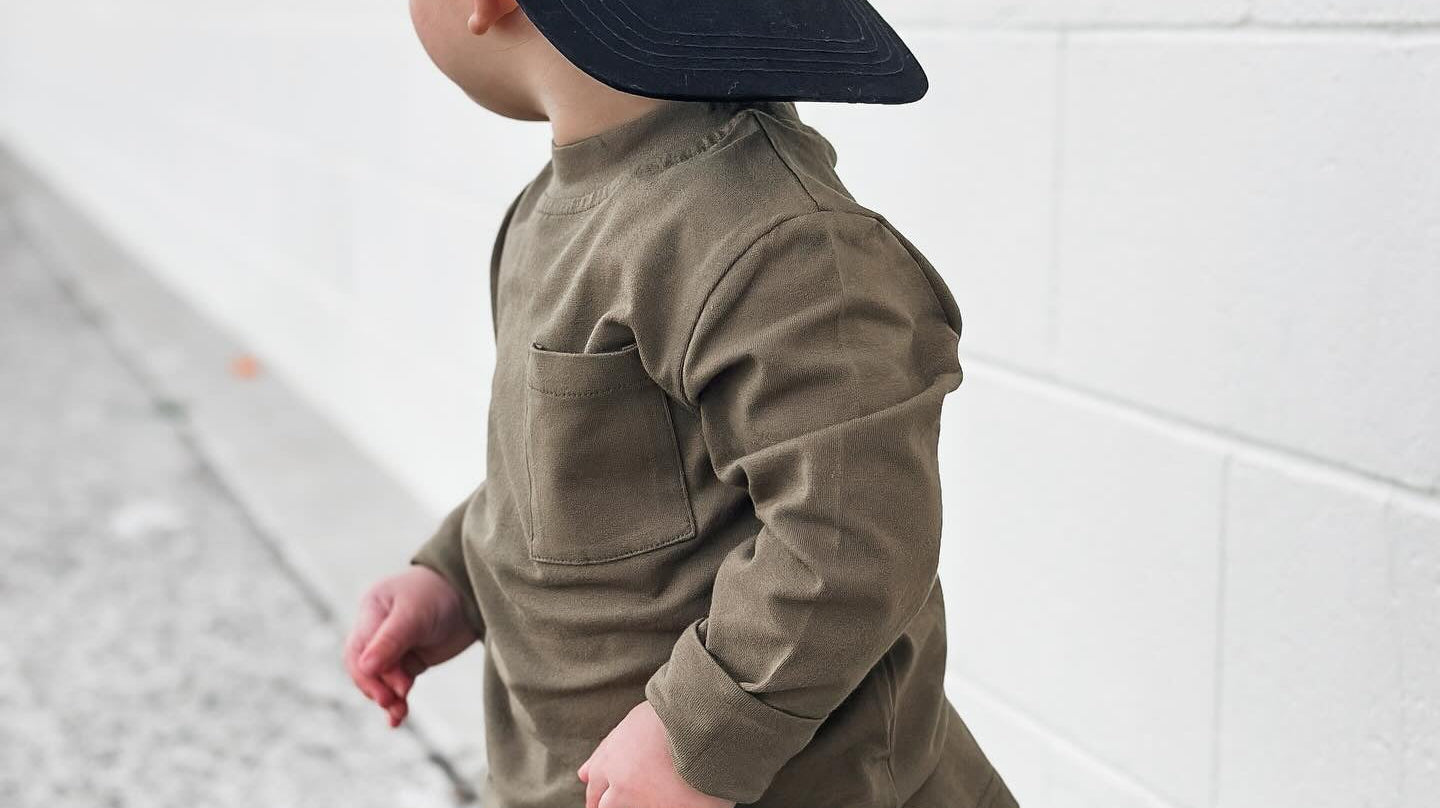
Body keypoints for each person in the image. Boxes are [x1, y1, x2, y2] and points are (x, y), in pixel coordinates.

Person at [343, 2, 1020, 806]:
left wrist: (697, 732)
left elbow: (852, 537)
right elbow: (574, 482)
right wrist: (455, 575)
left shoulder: (780, 239)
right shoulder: (561, 205)